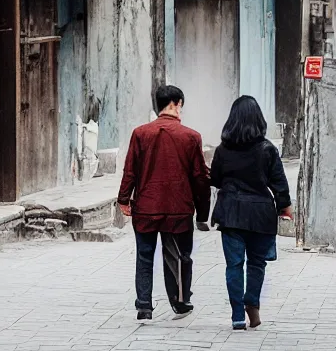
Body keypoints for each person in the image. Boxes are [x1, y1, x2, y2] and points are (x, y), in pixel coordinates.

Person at [118, 85, 211, 322]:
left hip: (146, 207)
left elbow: (130, 170)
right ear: (176, 103)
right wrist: (202, 212)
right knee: (179, 257)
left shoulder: (140, 133)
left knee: (145, 256)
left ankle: (144, 306)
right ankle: (180, 302)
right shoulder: (191, 137)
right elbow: (200, 178)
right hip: (178, 208)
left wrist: (123, 199)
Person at [210, 96, 292, 331]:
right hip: (260, 214)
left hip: (231, 213)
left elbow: (215, 179)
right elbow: (279, 182)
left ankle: (237, 316)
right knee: (257, 263)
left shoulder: (223, 150)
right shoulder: (267, 149)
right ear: (258, 120)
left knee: (234, 265)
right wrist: (284, 207)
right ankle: (252, 303)